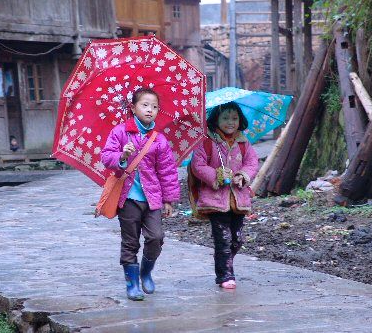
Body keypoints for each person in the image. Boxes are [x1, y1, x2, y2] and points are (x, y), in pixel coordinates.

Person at [101, 88, 180, 301]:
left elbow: (167, 171)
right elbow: (106, 157)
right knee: (130, 242)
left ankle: (146, 272)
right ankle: (132, 283)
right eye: (145, 105)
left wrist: (168, 199)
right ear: (133, 107)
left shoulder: (159, 140)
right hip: (128, 198)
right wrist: (122, 155)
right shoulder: (120, 132)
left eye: (154, 107)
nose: (150, 110)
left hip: (152, 198)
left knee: (156, 237)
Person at [190, 102, 259, 289]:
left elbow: (252, 163)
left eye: (235, 118)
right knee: (223, 239)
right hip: (215, 200)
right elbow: (198, 165)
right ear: (216, 120)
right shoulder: (207, 142)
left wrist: (242, 176)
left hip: (238, 198)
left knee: (237, 239)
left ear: (240, 120)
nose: (231, 122)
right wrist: (217, 175)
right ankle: (225, 275)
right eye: (226, 118)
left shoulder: (243, 143)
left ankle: (223, 258)